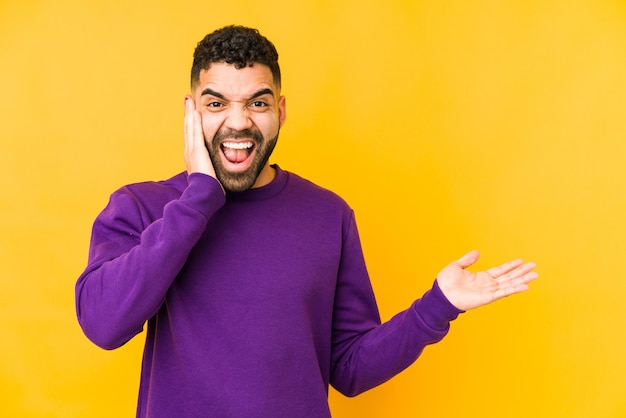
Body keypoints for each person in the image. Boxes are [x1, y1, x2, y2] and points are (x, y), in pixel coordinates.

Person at [75, 25, 538, 418]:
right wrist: (198, 197)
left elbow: (350, 369)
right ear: (191, 112)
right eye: (216, 104)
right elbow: (103, 324)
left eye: (257, 103)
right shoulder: (143, 206)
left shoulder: (327, 215)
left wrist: (437, 306)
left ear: (280, 110)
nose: (238, 122)